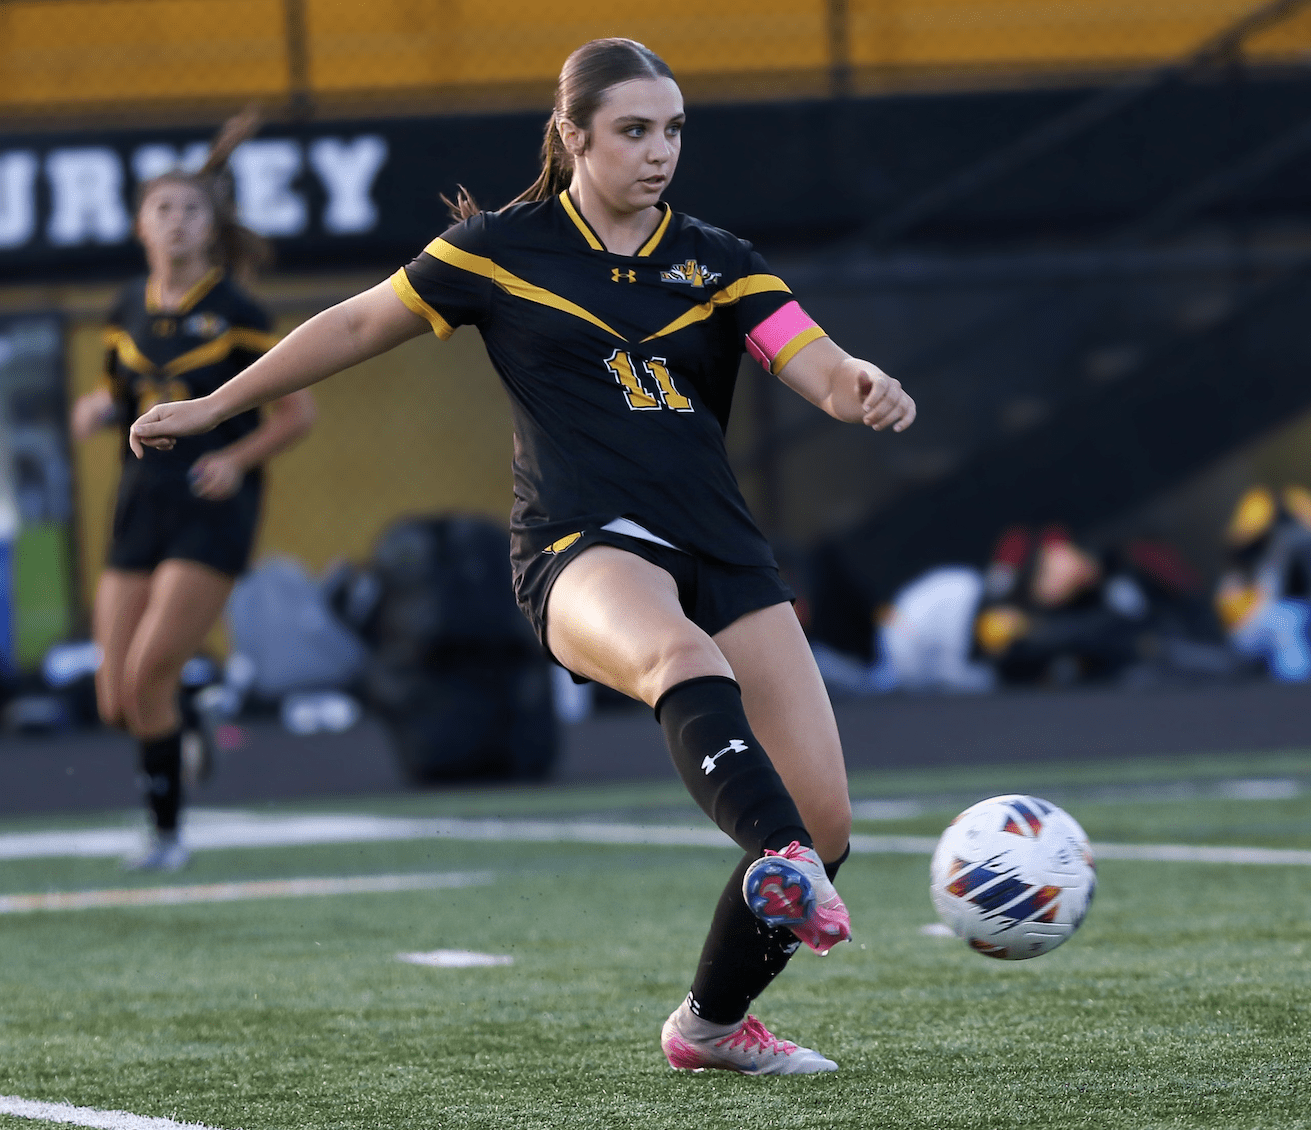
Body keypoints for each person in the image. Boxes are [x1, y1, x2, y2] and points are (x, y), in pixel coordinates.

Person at [129, 39, 915, 1073]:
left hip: (719, 546)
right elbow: (359, 322)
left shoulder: (718, 259)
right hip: (579, 543)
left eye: (673, 130)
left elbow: (811, 359)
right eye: (634, 130)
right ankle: (778, 858)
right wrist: (217, 404)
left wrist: (860, 383)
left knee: (828, 820)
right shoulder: (499, 248)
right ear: (572, 135)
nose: (659, 151)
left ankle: (711, 1025)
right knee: (685, 665)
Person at [71, 111, 317, 871]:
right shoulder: (125, 310)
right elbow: (129, 392)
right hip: (138, 503)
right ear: (139, 224)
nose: (176, 221)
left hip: (211, 503)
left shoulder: (237, 313)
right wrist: (101, 406)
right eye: (163, 209)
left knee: (149, 673)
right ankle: (191, 720)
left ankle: (166, 836)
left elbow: (296, 413)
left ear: (212, 227)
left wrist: (237, 459)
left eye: (190, 210)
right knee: (116, 698)